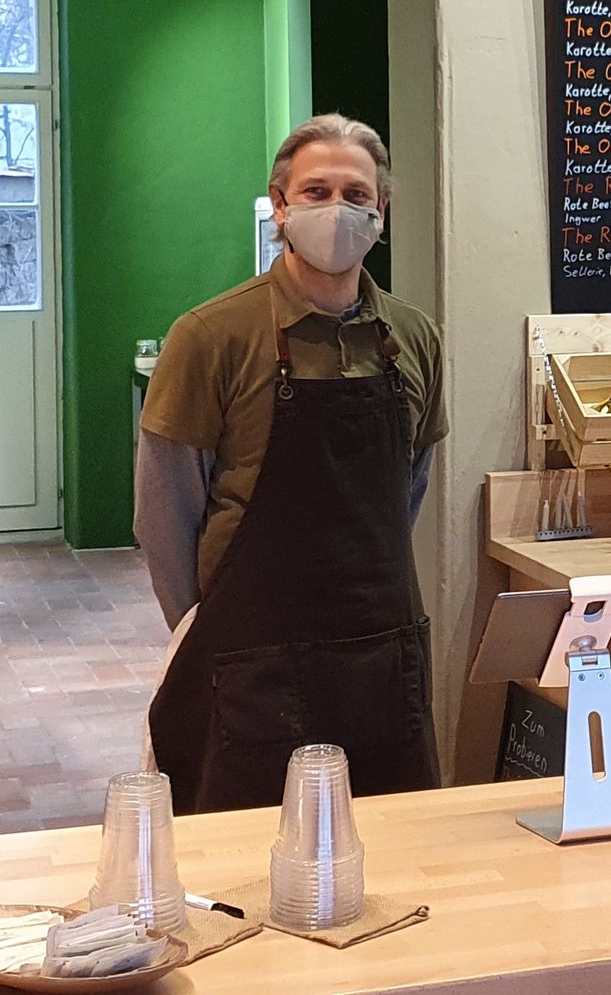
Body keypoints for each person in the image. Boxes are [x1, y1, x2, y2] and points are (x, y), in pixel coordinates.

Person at [134, 114, 448, 814]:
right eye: (316, 191)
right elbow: (164, 514)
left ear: (381, 210)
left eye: (356, 194)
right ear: (279, 206)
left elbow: (409, 490)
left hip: (380, 665)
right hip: (252, 666)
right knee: (242, 856)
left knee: (397, 847)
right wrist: (208, 634)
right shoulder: (210, 336)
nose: (338, 208)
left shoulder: (415, 337)